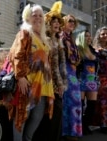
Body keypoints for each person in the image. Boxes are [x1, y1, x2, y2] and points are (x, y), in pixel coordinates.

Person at [7, 3, 55, 141]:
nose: (38, 18)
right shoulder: (25, 33)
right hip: (27, 83)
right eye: (35, 15)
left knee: (37, 117)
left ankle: (27, 139)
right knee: (21, 116)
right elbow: (17, 55)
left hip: (43, 86)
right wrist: (20, 76)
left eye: (41, 16)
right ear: (28, 18)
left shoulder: (44, 38)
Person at [44, 1, 67, 141]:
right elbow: (49, 66)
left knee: (56, 113)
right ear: (48, 23)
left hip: (57, 84)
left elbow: (62, 65)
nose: (57, 24)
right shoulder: (45, 40)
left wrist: (63, 83)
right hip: (47, 84)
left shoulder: (58, 41)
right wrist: (57, 84)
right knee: (48, 115)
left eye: (58, 21)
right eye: (54, 21)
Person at [59, 14, 82, 141]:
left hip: (72, 74)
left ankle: (73, 132)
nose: (72, 23)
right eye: (70, 21)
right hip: (65, 72)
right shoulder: (62, 37)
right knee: (69, 103)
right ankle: (68, 132)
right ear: (64, 23)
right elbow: (65, 58)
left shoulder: (71, 38)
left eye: (74, 21)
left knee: (74, 103)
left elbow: (76, 59)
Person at [75, 30, 98, 135]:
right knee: (79, 106)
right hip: (79, 80)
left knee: (92, 106)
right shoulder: (78, 49)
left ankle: (85, 125)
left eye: (89, 36)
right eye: (86, 36)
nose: (89, 38)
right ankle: (78, 127)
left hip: (92, 81)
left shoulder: (93, 51)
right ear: (81, 38)